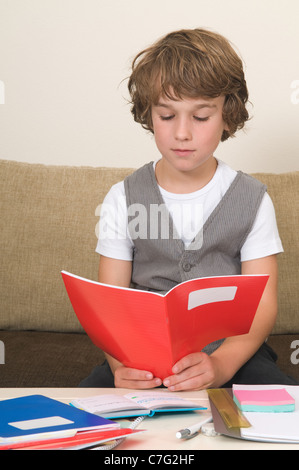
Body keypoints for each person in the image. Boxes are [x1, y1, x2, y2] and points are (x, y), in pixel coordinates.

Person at [80, 28, 298, 390]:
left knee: (281, 409)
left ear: (227, 116)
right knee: (83, 410)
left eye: (200, 117)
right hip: (139, 356)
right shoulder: (123, 197)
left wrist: (222, 367)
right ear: (149, 115)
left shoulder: (252, 198)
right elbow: (111, 305)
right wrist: (122, 367)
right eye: (167, 116)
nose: (182, 133)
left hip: (233, 354)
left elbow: (262, 306)